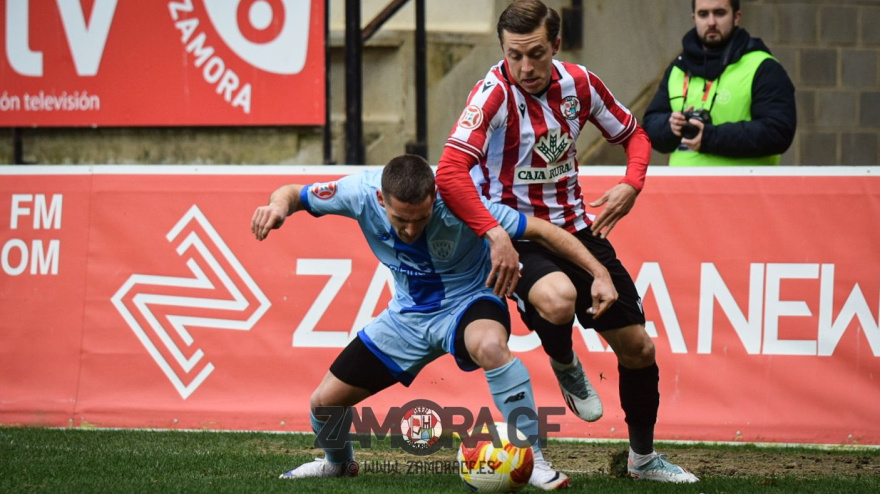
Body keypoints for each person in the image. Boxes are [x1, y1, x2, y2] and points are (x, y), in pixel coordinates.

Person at [435, 0, 699, 483]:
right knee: (557, 299)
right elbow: (450, 172)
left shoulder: (581, 84)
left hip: (577, 230)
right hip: (519, 234)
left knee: (639, 349)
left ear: (556, 45)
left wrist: (632, 182)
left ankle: (642, 460)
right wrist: (493, 233)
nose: (525, 67)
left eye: (536, 53)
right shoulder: (491, 96)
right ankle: (564, 362)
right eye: (514, 55)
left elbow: (635, 135)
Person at [250, 154, 618, 490]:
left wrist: (599, 272)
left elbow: (541, 230)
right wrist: (278, 207)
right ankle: (338, 464)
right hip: (406, 318)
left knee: (490, 346)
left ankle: (533, 459)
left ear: (434, 198)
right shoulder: (358, 192)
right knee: (324, 404)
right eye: (401, 220)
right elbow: (294, 193)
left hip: (469, 302)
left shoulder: (460, 202)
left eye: (421, 219)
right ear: (381, 200)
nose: (411, 230)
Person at [642, 0, 796, 166]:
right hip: (682, 182)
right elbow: (649, 128)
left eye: (719, 13)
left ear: (736, 17)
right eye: (703, 14)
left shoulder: (763, 67)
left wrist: (709, 137)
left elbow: (778, 132)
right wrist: (670, 127)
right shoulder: (678, 69)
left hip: (744, 182)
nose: (711, 22)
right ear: (694, 18)